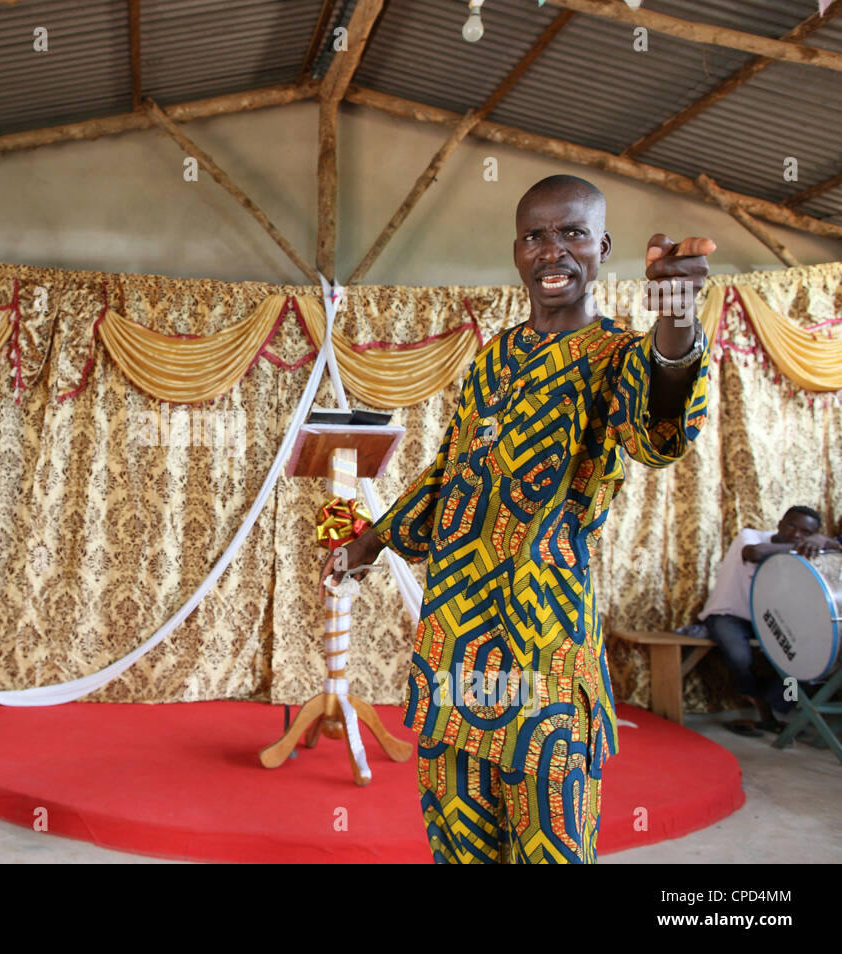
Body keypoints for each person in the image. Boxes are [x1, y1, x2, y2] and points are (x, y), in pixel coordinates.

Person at [323, 174, 714, 864]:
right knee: (459, 848)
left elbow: (657, 431)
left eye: (571, 233)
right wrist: (369, 543)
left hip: (545, 653)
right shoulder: (492, 360)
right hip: (456, 648)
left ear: (603, 246)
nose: (552, 251)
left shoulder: (619, 355)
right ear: (516, 250)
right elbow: (450, 474)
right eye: (535, 235)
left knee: (551, 850)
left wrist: (676, 320)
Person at [699, 505, 840, 737]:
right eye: (792, 526)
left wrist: (824, 542)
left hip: (767, 619)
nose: (796, 534)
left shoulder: (807, 554)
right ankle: (762, 709)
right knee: (739, 656)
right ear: (780, 523)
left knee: (808, 660)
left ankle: (779, 704)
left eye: (805, 533)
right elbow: (755, 553)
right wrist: (804, 546)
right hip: (728, 614)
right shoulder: (751, 536)